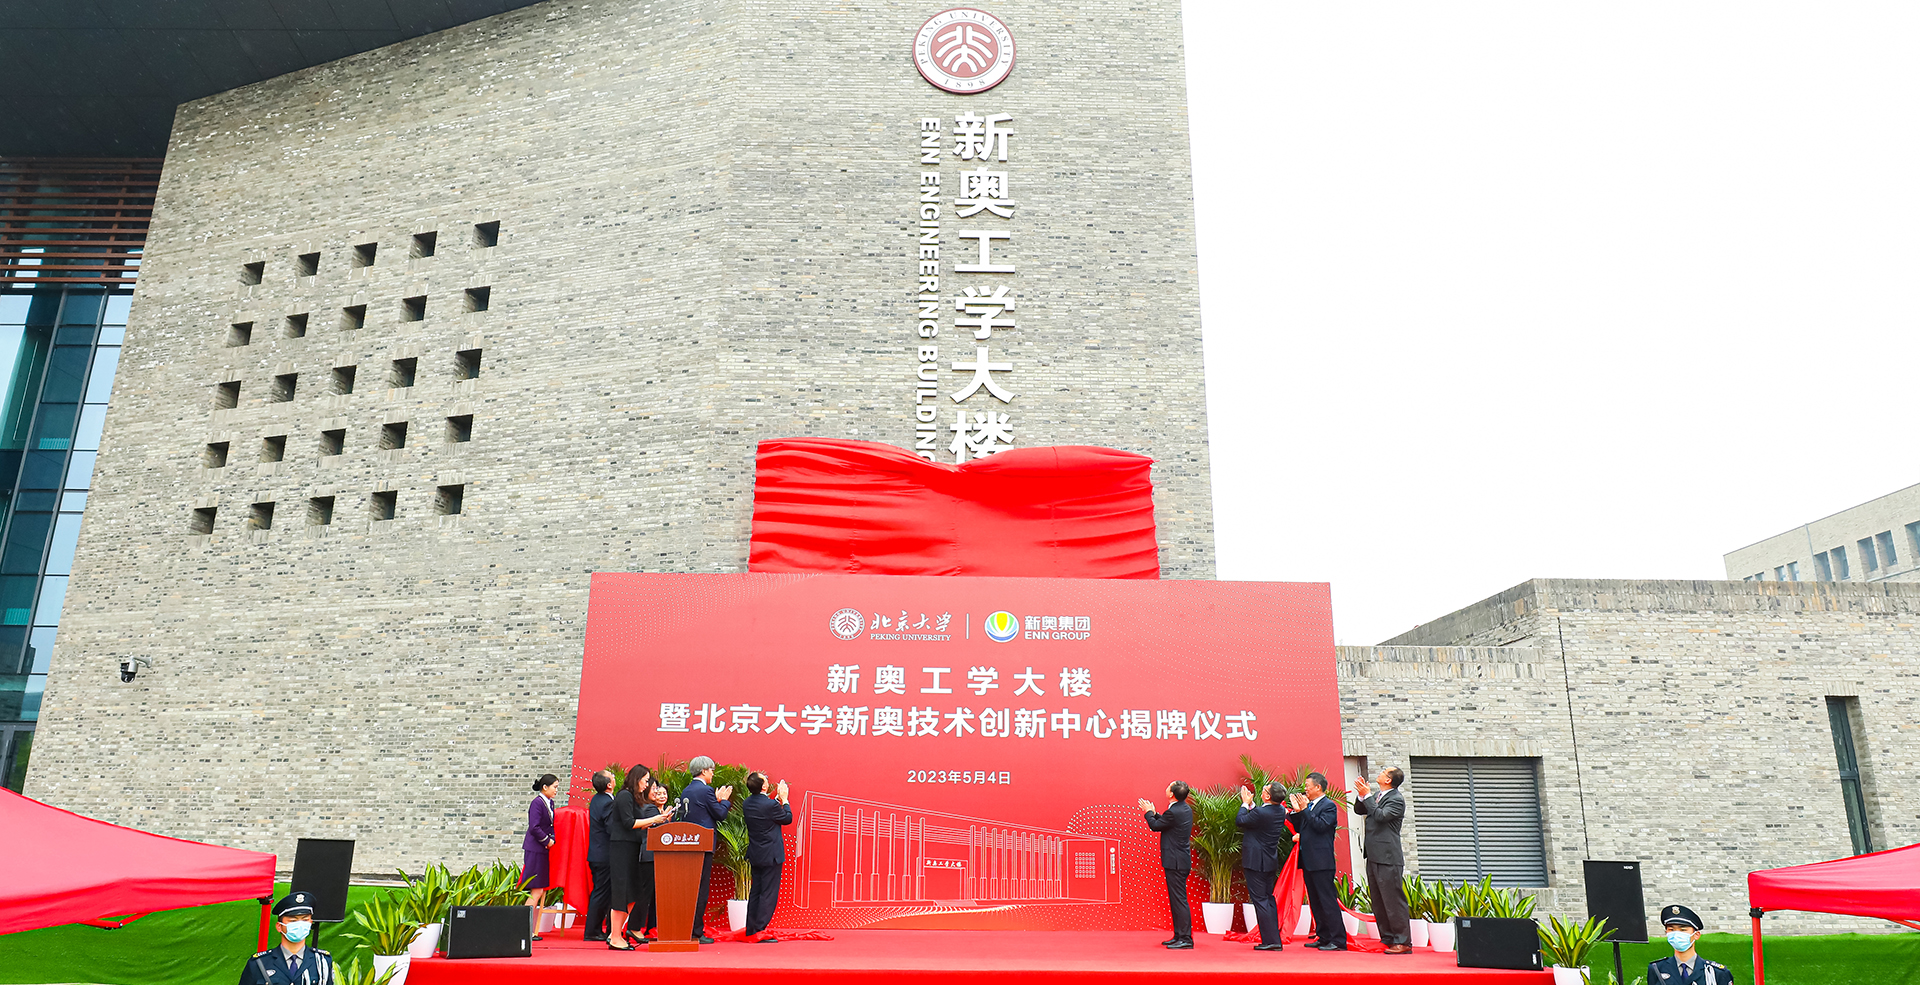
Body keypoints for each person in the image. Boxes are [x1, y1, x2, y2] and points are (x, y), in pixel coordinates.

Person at [606, 765, 672, 950]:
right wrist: (654, 820)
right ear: (637, 779)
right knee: (622, 893)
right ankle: (615, 937)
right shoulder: (624, 796)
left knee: (632, 894)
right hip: (621, 848)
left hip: (632, 848)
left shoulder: (634, 798)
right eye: (645, 780)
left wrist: (660, 819)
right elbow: (628, 823)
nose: (647, 784)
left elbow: (638, 825)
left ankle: (615, 934)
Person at [1352, 766, 1410, 954]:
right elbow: (1359, 810)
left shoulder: (1396, 799)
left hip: (1388, 856)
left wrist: (1367, 796)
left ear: (1388, 780)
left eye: (1384, 772)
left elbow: (1380, 816)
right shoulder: (1378, 795)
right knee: (1378, 899)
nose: (1380, 773)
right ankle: (1387, 937)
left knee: (1393, 900)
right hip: (1374, 854)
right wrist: (1362, 796)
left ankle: (1403, 941)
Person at [1288, 771, 1345, 950]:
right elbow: (1302, 827)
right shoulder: (1310, 806)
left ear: (1318, 787)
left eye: (1307, 786)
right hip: (1309, 860)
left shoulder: (1329, 806)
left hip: (1322, 861)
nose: (1305, 790)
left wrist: (1305, 810)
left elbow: (1320, 826)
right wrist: (1297, 811)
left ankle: (1338, 940)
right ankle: (1323, 936)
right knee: (1315, 901)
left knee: (1327, 900)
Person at [681, 755, 734, 944]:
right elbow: (720, 814)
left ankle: (686, 927)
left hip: (688, 844)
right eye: (711, 770)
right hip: (703, 844)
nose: (713, 773)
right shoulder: (706, 790)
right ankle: (696, 931)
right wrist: (724, 801)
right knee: (701, 889)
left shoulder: (687, 790)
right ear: (703, 771)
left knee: (689, 889)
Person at [1138, 781, 1194, 949]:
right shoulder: (1183, 809)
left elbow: (1155, 826)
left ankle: (1186, 938)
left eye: (1169, 786)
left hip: (1175, 862)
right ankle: (1179, 935)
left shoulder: (1174, 811)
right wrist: (1155, 813)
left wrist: (1148, 812)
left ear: (1172, 794)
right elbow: (1165, 823)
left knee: (1179, 900)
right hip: (1180, 860)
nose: (1167, 787)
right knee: (1177, 900)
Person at [741, 771, 794, 941]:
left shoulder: (747, 803)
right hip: (771, 854)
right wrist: (785, 800)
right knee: (768, 893)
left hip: (756, 853)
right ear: (764, 786)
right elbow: (787, 818)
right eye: (766, 780)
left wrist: (776, 800)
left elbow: (768, 813)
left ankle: (751, 928)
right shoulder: (770, 805)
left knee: (756, 891)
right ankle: (760, 930)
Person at [238, 891, 334, 985]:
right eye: (293, 921)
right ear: (279, 926)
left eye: (305, 920)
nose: (300, 925)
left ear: (310, 923)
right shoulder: (260, 963)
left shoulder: (322, 961)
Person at [1236, 781, 1289, 951]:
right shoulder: (1280, 810)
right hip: (1268, 861)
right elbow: (1257, 817)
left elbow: (1241, 820)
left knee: (1260, 900)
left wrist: (1245, 803)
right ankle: (1273, 939)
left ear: (1267, 795)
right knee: (1268, 899)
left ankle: (1271, 941)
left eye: (1265, 790)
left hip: (1255, 861)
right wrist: (1252, 805)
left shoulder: (1261, 812)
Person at [1648, 905, 1733, 984]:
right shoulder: (1657, 969)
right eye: (1671, 930)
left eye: (1683, 930)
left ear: (1696, 935)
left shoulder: (1716, 972)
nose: (1676, 934)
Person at [522, 773, 559, 938]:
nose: (556, 790)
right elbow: (534, 827)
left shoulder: (549, 802)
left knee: (538, 889)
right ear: (545, 787)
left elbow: (550, 825)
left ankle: (526, 928)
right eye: (554, 787)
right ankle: (524, 928)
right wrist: (547, 840)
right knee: (536, 890)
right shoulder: (537, 803)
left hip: (542, 849)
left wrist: (552, 839)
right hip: (535, 849)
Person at [583, 769, 615, 942]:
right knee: (601, 893)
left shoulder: (597, 799)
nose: (615, 778)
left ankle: (596, 929)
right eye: (612, 777)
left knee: (601, 892)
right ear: (609, 784)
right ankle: (592, 931)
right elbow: (611, 828)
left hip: (597, 853)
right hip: (605, 854)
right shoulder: (607, 802)